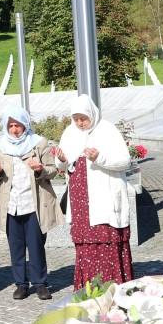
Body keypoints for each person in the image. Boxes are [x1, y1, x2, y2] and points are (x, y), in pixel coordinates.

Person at [56, 95, 134, 288]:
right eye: (76, 119)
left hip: (104, 198)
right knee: (86, 243)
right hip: (80, 198)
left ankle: (112, 286)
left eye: (84, 118)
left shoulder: (106, 130)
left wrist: (99, 157)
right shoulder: (69, 132)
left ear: (92, 114)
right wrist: (62, 159)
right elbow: (63, 164)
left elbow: (125, 161)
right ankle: (88, 287)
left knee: (106, 238)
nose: (80, 123)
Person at [0, 106, 61, 301]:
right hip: (10, 205)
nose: (14, 129)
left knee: (36, 245)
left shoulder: (39, 143)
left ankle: (40, 284)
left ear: (25, 125)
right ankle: (21, 284)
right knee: (16, 247)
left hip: (33, 204)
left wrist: (40, 170)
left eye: (18, 125)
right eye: (10, 125)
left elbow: (53, 170)